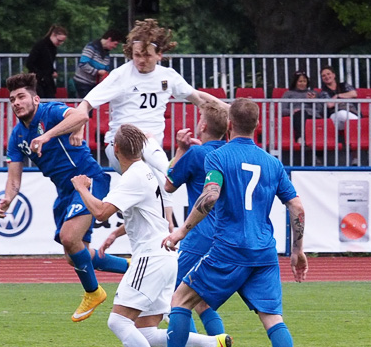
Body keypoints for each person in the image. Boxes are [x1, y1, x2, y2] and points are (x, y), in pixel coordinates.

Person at [137, 98, 308, 347]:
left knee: (180, 300)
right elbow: (296, 207)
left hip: (229, 249)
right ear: (257, 126)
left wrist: (182, 230)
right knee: (273, 319)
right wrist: (297, 250)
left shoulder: (219, 156)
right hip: (264, 253)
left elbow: (211, 194)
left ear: (230, 125)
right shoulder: (272, 163)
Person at [27, 19, 229, 224]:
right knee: (158, 165)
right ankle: (171, 181)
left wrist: (230, 110)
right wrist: (73, 128)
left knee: (149, 206)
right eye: (136, 55)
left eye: (147, 55)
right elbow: (85, 105)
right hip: (119, 146)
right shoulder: (121, 75)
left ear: (159, 55)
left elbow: (199, 98)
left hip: (150, 154)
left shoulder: (168, 77)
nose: (140, 60)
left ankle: (164, 225)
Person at [71, 123, 226, 347]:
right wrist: (117, 233)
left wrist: (82, 188)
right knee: (146, 331)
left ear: (115, 149)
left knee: (118, 322)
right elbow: (149, 214)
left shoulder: (132, 176)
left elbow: (101, 212)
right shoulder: (146, 172)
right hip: (164, 256)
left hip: (150, 258)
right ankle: (215, 343)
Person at [0, 73, 129, 322]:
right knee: (74, 255)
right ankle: (133, 269)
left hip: (88, 179)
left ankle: (93, 292)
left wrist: (48, 135)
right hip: (65, 192)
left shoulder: (50, 111)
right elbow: (14, 179)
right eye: (12, 99)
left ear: (36, 99)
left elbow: (81, 115)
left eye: (21, 97)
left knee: (69, 237)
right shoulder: (17, 136)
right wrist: (8, 198)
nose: (16, 103)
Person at [163, 101, 230, 347]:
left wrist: (180, 150)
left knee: (175, 295)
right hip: (224, 236)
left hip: (199, 234)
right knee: (200, 300)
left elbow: (168, 183)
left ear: (202, 125)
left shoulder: (196, 153)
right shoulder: (228, 153)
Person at [73, 29, 124, 99]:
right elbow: (83, 64)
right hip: (83, 82)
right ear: (109, 39)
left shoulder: (106, 53)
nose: (115, 47)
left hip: (94, 84)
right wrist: (97, 72)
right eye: (115, 44)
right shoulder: (91, 47)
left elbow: (105, 68)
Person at [26, 25, 68, 99]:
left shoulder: (53, 48)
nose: (60, 43)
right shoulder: (40, 45)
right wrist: (40, 75)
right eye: (59, 40)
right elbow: (30, 63)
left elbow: (48, 63)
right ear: (53, 35)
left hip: (47, 79)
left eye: (62, 41)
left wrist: (53, 71)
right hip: (38, 80)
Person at [318, 66, 360, 132]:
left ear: (334, 75)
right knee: (342, 114)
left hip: (352, 112)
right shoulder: (323, 92)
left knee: (347, 117)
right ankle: (368, 130)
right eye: (323, 76)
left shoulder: (344, 85)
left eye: (328, 74)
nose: (326, 77)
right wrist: (346, 97)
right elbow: (330, 104)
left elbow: (354, 93)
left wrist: (338, 96)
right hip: (335, 116)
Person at [285, 71, 320, 141]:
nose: (302, 83)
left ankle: (302, 138)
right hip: (296, 115)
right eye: (300, 81)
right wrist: (292, 111)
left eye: (304, 81)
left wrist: (314, 101)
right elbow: (282, 110)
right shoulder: (288, 94)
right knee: (300, 114)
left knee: (302, 114)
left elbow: (321, 110)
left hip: (311, 114)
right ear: (295, 82)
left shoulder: (313, 93)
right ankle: (300, 138)